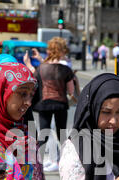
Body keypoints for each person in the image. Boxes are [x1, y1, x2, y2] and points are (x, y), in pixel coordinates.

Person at [33, 37, 76, 172]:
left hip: (44, 104)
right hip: (60, 104)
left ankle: (34, 163)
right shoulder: (65, 69)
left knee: (43, 134)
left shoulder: (41, 68)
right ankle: (66, 161)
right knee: (62, 135)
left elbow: (34, 84)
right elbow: (71, 91)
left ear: (49, 50)